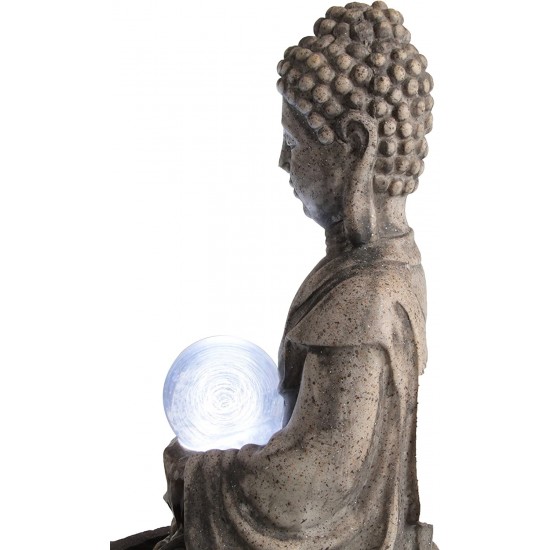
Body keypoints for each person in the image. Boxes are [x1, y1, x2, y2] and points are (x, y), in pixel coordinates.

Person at [155, 2, 436, 548]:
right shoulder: (366, 268)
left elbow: (313, 482)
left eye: (294, 143)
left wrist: (201, 472)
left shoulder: (368, 295)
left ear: (356, 147)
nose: (283, 162)